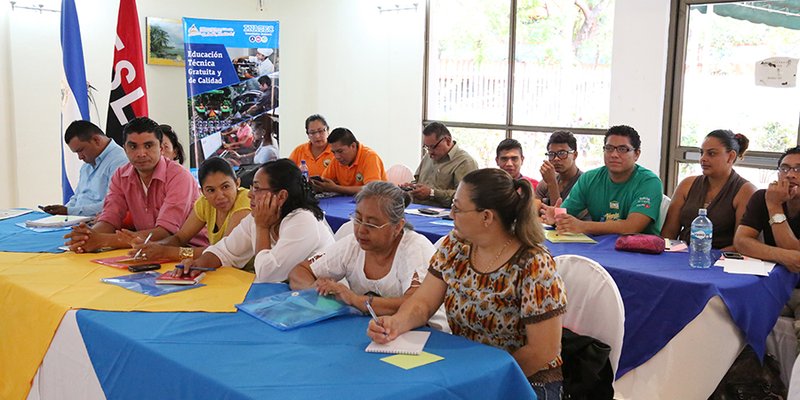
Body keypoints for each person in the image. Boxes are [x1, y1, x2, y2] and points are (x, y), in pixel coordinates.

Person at [367, 168, 566, 398]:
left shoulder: (534, 264)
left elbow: (543, 350)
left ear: (486, 217)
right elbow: (423, 303)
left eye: (457, 208)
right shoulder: (456, 245)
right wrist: (395, 324)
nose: (451, 214)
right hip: (469, 370)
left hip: (524, 380)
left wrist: (487, 380)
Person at [289, 181, 449, 330]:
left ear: (397, 227)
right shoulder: (353, 245)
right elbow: (299, 272)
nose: (361, 229)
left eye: (372, 223)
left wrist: (355, 300)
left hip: (424, 335)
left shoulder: (415, 249)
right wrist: (320, 290)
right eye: (358, 219)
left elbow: (416, 304)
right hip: (377, 330)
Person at [178, 159, 335, 283]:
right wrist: (198, 264)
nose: (249, 195)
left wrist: (262, 227)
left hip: (322, 301)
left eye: (257, 189)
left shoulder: (303, 220)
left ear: (281, 196)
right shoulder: (259, 217)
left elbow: (268, 274)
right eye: (252, 188)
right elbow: (225, 250)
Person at [64, 117, 206, 252]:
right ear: (125, 149)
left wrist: (102, 240)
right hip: (144, 250)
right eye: (133, 147)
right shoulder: (121, 176)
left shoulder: (179, 176)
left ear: (161, 149)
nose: (141, 153)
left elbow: (164, 233)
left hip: (190, 252)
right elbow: (109, 219)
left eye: (148, 146)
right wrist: (87, 237)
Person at [125, 157, 251, 261]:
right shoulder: (204, 203)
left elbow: (221, 253)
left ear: (237, 184)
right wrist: (152, 247)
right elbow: (180, 238)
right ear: (202, 192)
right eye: (211, 190)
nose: (219, 196)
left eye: (225, 187)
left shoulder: (245, 201)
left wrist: (167, 252)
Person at [545, 125, 663, 235]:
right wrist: (556, 216)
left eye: (622, 149)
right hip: (599, 248)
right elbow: (566, 216)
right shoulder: (589, 179)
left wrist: (583, 226)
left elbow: (632, 227)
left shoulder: (649, 182)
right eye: (609, 148)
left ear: (637, 154)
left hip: (640, 253)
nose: (614, 155)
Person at [662, 130, 756, 250]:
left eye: (711, 154)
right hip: (682, 255)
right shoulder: (687, 184)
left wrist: (707, 257)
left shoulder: (746, 191)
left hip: (721, 261)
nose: (703, 159)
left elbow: (741, 244)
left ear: (731, 156)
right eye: (702, 153)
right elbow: (669, 234)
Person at [40, 120, 127, 216]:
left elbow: (112, 205)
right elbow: (77, 198)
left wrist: (68, 211)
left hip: (99, 224)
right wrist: (60, 214)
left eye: (81, 150)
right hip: (78, 221)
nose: (80, 157)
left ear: (96, 140)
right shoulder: (86, 166)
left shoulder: (120, 161)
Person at [734, 146, 800, 271]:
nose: (790, 175)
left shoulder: (771, 200)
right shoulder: (762, 196)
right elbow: (741, 241)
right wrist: (784, 256)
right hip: (772, 275)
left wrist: (774, 206)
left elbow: (797, 262)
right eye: (784, 169)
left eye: (799, 169)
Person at [401, 122, 478, 208]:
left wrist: (432, 193)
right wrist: (411, 188)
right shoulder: (428, 157)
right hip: (418, 209)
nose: (430, 152)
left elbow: (466, 197)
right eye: (427, 147)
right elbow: (419, 181)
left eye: (433, 147)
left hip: (445, 215)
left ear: (448, 141)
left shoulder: (464, 162)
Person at [312, 127, 387, 195]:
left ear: (353, 146)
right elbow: (326, 181)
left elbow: (371, 190)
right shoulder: (336, 160)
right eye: (333, 152)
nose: (337, 156)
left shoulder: (370, 157)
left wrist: (336, 188)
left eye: (340, 151)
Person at [535, 131, 583, 206]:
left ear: (575, 155)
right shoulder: (545, 183)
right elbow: (533, 213)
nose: (556, 158)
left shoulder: (584, 183)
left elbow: (559, 216)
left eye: (562, 153)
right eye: (551, 154)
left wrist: (552, 184)